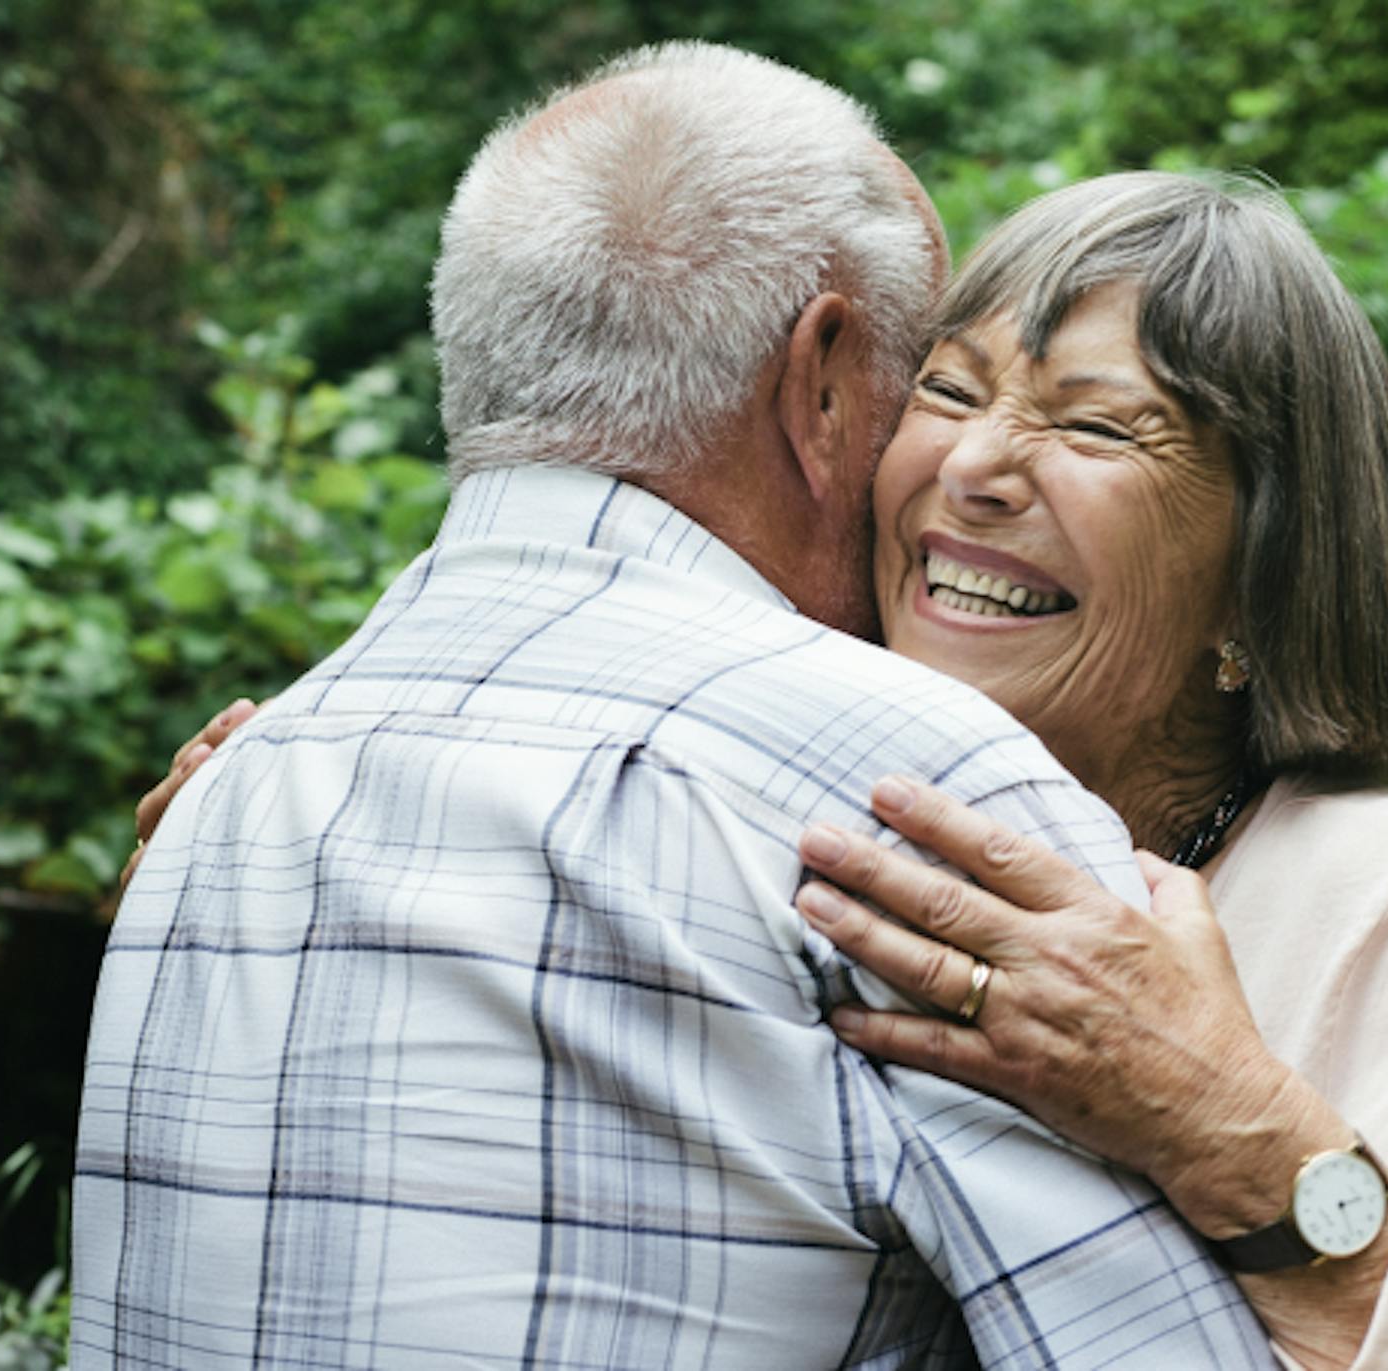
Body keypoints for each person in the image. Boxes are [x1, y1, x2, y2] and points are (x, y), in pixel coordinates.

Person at [134, 172, 1388, 1369]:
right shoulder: (764, 820)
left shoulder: (1378, 888)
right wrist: (271, 863)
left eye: (1097, 428)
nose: (976, 466)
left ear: (1254, 590)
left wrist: (1234, 1131)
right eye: (947, 391)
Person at [68, 44, 1270, 1370]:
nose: (953, 468)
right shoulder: (896, 788)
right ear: (820, 382)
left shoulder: (218, 800)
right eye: (928, 380)